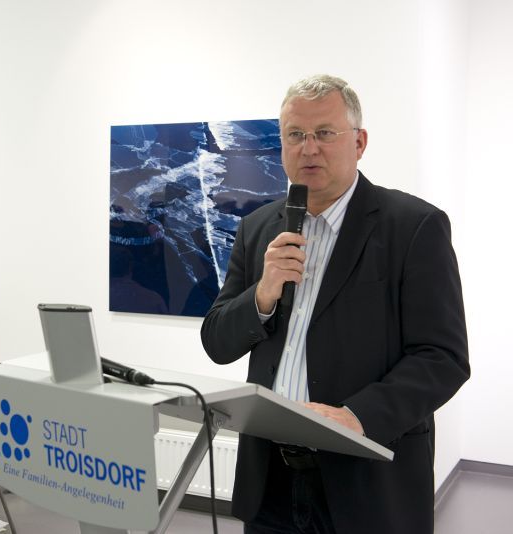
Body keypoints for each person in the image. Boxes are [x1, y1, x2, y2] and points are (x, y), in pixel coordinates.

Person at [200, 75, 470, 534]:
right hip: (269, 482)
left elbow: (442, 358)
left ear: (359, 142)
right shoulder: (258, 228)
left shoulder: (414, 227)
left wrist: (358, 416)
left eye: (325, 133)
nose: (309, 149)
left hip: (366, 485)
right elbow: (217, 342)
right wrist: (262, 294)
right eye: (295, 135)